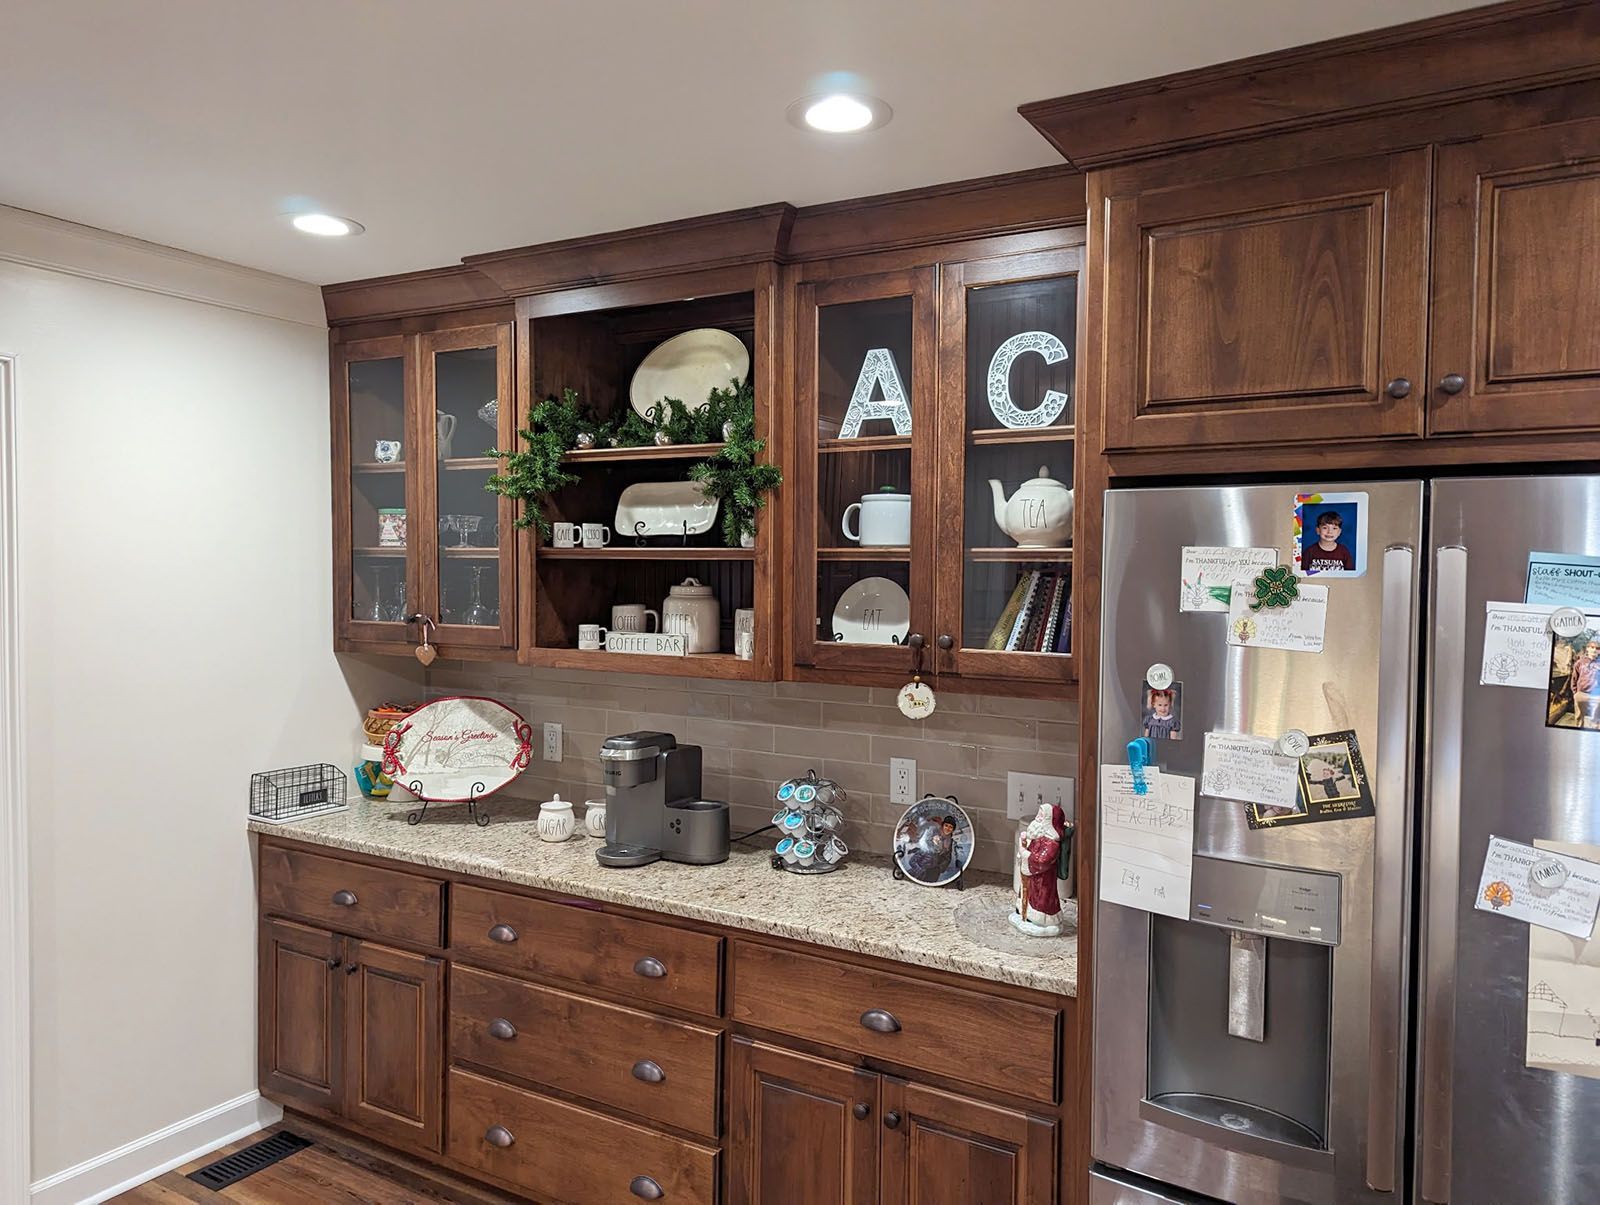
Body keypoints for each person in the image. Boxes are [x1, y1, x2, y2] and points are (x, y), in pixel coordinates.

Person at [1571, 637, 1600, 728]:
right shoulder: (1580, 662)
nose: (1594, 649)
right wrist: (1575, 693)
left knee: (1596, 720)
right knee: (1579, 718)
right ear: (1587, 648)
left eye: (1597, 648)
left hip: (1596, 695)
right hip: (1581, 694)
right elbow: (1574, 678)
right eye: (1592, 647)